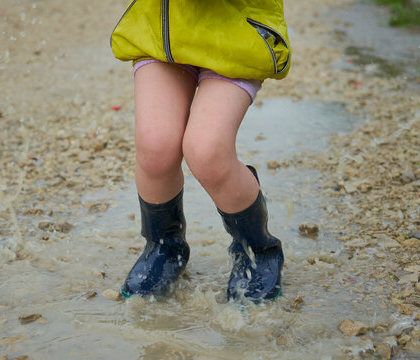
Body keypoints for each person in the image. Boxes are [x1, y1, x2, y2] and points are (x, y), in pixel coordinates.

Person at [111, 1, 289, 304]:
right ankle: (164, 247)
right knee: (156, 148)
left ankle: (257, 249)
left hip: (235, 36)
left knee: (207, 152)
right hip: (162, 33)